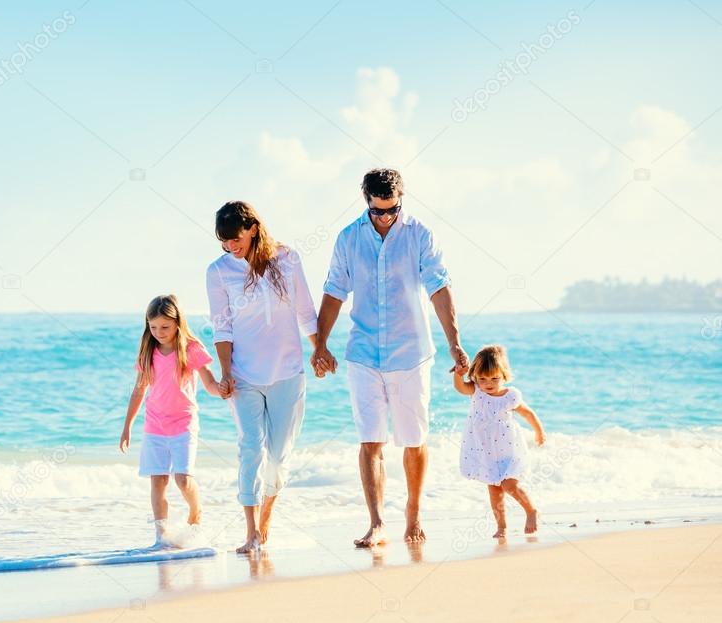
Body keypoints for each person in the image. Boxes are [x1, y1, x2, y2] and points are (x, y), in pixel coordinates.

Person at [313, 168, 469, 546]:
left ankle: (413, 515)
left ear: (400, 201)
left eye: (392, 210)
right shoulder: (349, 238)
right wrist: (320, 345)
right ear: (366, 201)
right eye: (377, 211)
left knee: (414, 441)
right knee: (370, 440)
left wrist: (454, 342)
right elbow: (335, 292)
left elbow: (439, 287)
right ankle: (377, 523)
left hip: (411, 353)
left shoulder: (419, 234)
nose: (385, 217)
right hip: (363, 353)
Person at [206, 201, 319, 554]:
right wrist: (225, 374)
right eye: (223, 242)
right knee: (250, 450)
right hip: (244, 376)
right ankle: (251, 531)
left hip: (288, 372)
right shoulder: (218, 271)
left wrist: (320, 349)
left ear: (253, 227)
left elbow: (305, 311)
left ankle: (266, 519)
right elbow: (221, 326)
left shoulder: (287, 259)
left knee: (278, 456)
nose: (230, 247)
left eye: (234, 238)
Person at [120, 294, 220, 547]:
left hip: (184, 423)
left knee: (183, 479)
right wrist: (127, 426)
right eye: (153, 327)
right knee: (158, 480)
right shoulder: (148, 352)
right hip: (154, 426)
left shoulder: (191, 349)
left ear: (177, 323)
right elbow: (139, 391)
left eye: (165, 327)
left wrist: (221, 390)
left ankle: (196, 512)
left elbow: (208, 381)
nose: (159, 332)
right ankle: (161, 537)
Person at [453, 344, 545, 537]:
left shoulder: (509, 396)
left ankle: (531, 510)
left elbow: (528, 413)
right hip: (486, 451)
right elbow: (460, 387)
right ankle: (501, 526)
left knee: (509, 485)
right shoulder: (476, 391)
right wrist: (458, 374)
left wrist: (539, 432)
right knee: (494, 491)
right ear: (475, 377)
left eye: (494, 378)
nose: (488, 383)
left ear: (504, 375)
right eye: (482, 378)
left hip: (508, 450)